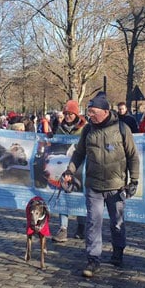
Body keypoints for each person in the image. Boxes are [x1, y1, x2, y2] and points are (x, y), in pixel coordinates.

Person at [61, 92, 139, 278]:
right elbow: (79, 153)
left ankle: (118, 252)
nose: (90, 115)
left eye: (93, 112)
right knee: (93, 223)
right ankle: (93, 259)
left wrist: (134, 180)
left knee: (117, 223)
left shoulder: (122, 129)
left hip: (116, 186)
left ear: (105, 111)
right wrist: (70, 170)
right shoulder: (88, 130)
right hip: (93, 186)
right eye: (88, 112)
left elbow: (133, 156)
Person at [51, 100, 87, 243]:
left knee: (79, 197)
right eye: (65, 113)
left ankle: (81, 226)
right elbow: (57, 146)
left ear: (76, 114)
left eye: (70, 113)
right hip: (65, 168)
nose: (67, 116)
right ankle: (63, 228)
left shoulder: (85, 128)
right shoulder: (60, 128)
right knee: (63, 195)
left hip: (80, 167)